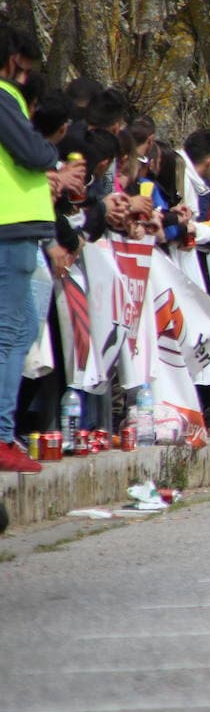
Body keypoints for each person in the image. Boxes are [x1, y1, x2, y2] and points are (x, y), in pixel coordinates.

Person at [0, 26, 60, 473]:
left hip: (19, 231)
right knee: (9, 335)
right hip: (9, 228)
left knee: (18, 334)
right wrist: (50, 155)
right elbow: (33, 152)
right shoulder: (4, 97)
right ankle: (2, 436)